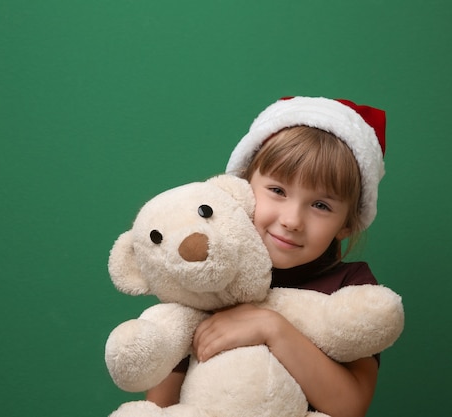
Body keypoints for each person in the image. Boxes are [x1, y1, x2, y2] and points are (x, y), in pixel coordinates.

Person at [146, 96, 387, 417]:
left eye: (321, 205)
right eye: (277, 190)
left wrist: (272, 328)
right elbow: (158, 406)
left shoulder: (351, 288)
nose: (292, 220)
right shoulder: (205, 275)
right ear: (243, 186)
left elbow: (350, 405)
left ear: (347, 224)